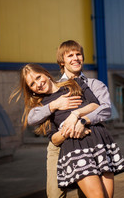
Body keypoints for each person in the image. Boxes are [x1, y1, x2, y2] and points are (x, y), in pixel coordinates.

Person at [12, 63, 124, 198]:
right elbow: (54, 138)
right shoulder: (43, 107)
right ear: (32, 90)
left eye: (38, 77)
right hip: (75, 149)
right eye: (32, 84)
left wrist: (76, 116)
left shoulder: (74, 83)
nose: (38, 84)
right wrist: (70, 127)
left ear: (46, 74)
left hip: (99, 141)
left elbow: (95, 105)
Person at [27, 40, 113, 197]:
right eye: (70, 55)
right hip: (61, 143)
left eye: (78, 54)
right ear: (61, 62)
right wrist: (55, 105)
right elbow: (32, 118)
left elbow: (104, 108)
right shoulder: (49, 91)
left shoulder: (92, 84)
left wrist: (78, 118)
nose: (75, 58)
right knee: (56, 194)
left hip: (91, 138)